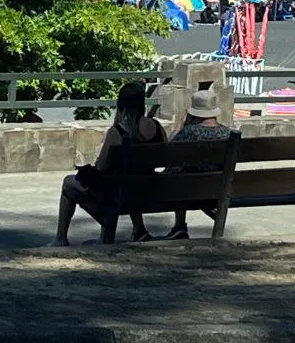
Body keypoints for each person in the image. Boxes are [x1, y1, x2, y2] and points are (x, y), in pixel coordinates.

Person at [52, 82, 166, 246]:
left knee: (69, 183)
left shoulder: (117, 132)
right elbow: (164, 157)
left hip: (118, 195)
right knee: (131, 177)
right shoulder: (157, 127)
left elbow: (101, 167)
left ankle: (61, 238)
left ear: (121, 104)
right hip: (147, 190)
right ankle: (139, 229)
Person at [160, 89, 233, 240]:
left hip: (189, 190)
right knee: (186, 176)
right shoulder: (228, 134)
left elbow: (168, 152)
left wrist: (180, 125)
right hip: (217, 189)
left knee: (180, 175)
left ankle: (180, 225)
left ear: (192, 113)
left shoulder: (189, 133)